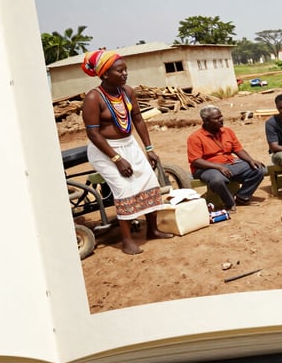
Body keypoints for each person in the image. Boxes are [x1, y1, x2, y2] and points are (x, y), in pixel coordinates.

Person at [80, 49, 174, 255]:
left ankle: (152, 230)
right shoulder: (93, 98)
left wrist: (149, 149)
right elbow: (93, 134)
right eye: (120, 71)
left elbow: (138, 119)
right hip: (104, 150)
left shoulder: (127, 92)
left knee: (149, 182)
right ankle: (127, 240)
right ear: (105, 74)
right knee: (124, 189)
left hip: (129, 144)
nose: (125, 74)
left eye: (125, 70)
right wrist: (117, 159)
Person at [187, 105, 267, 213]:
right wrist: (219, 167)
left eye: (221, 116)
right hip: (206, 168)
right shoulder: (195, 137)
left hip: (229, 163)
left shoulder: (227, 131)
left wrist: (250, 160)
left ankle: (242, 197)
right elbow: (195, 161)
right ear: (206, 121)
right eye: (216, 118)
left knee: (259, 169)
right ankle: (229, 203)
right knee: (217, 180)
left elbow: (238, 149)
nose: (221, 120)